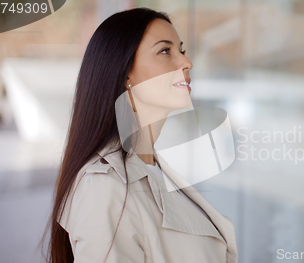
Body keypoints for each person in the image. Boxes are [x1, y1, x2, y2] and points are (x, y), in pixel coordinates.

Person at [43, 7, 238, 263]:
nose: (186, 63)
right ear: (125, 74)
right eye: (165, 51)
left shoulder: (155, 168)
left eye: (181, 50)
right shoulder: (104, 187)